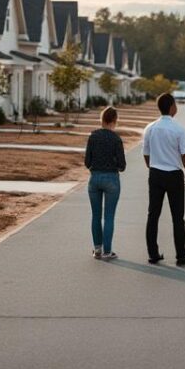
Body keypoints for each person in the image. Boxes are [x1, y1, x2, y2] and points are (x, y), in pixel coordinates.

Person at [142, 93, 185, 266]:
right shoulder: (179, 129)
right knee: (177, 217)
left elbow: (146, 153)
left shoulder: (150, 128)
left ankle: (153, 253)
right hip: (174, 175)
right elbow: (184, 155)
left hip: (156, 173)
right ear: (172, 107)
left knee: (153, 215)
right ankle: (181, 255)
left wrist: (152, 167)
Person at [84, 106, 126, 260]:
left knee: (96, 215)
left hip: (94, 179)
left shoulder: (93, 136)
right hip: (111, 180)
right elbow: (122, 166)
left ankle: (97, 250)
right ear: (115, 120)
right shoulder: (116, 139)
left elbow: (87, 161)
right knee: (109, 216)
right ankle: (108, 251)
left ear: (101, 119)